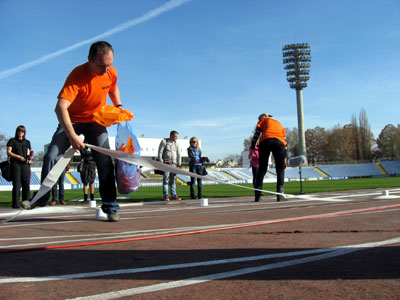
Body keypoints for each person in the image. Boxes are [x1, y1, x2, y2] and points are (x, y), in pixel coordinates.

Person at [22, 41, 122, 222]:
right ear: (90, 59)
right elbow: (60, 108)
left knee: (105, 161)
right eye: (101, 66)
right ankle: (41, 197)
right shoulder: (77, 75)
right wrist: (72, 136)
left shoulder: (111, 72)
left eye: (109, 65)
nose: (106, 70)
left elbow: (113, 89)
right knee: (51, 155)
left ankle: (110, 206)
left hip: (95, 120)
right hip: (72, 119)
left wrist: (119, 106)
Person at [250, 114, 287, 202]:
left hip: (265, 141)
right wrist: (285, 158)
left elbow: (256, 135)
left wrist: (252, 148)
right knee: (280, 169)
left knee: (262, 168)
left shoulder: (262, 121)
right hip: (279, 142)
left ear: (262, 118)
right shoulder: (278, 123)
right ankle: (280, 195)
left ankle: (258, 196)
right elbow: (285, 141)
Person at [7, 125, 33, 208]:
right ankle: (16, 203)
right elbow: (9, 152)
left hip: (25, 165)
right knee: (17, 185)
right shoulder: (12, 141)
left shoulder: (27, 142)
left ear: (24, 132)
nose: (20, 132)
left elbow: (28, 154)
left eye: (22, 131)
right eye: (19, 131)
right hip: (16, 164)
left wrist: (30, 160)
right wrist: (18, 157)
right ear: (16, 131)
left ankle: (26, 202)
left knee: (26, 184)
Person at [158, 130, 182, 201]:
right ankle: (166, 195)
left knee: (173, 180)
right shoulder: (164, 142)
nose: (176, 138)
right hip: (166, 163)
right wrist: (161, 163)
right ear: (171, 136)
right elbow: (160, 153)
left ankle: (174, 195)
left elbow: (179, 154)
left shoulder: (176, 143)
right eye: (175, 136)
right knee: (165, 180)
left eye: (177, 137)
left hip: (174, 164)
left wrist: (179, 163)